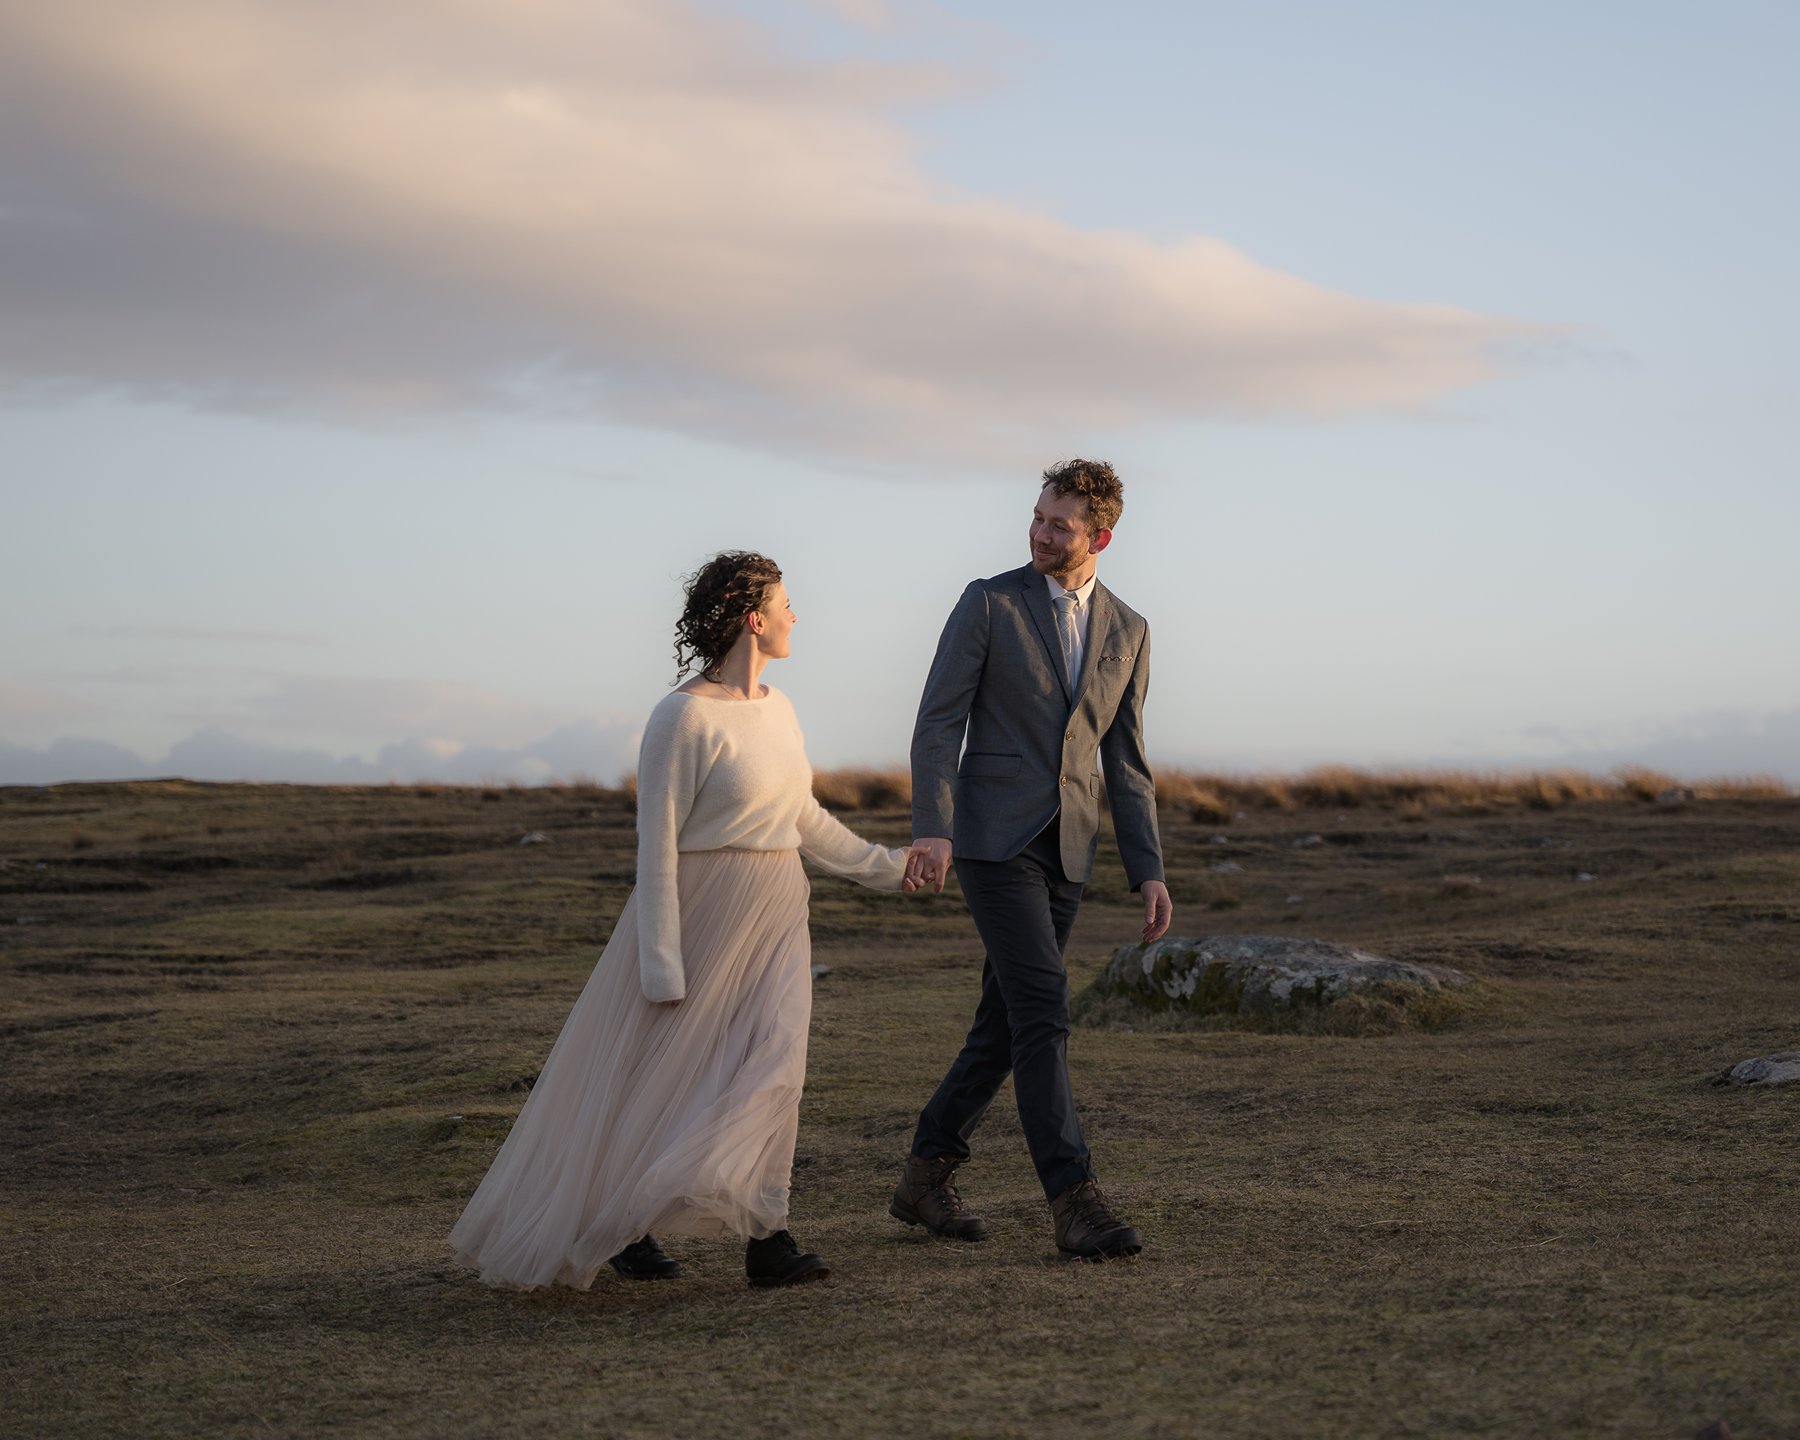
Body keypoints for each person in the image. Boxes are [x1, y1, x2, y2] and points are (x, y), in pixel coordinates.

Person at [450, 551, 914, 1289]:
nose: (798, 616)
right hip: (702, 913)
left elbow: (802, 818)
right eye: (787, 603)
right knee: (660, 1081)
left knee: (776, 1070)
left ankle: (767, 1234)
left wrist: (888, 867)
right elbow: (656, 846)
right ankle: (623, 1228)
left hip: (777, 908)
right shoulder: (682, 716)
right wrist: (660, 962)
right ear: (753, 618)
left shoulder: (781, 709)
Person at [891, 458, 1173, 1261]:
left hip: (1071, 850)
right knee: (1045, 1005)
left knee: (1003, 1025)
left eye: (1060, 525)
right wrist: (933, 826)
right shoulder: (988, 602)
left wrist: (1147, 867)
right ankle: (1074, 1197)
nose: (1041, 533)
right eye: (1038, 517)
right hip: (989, 838)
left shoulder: (1131, 629)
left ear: (1100, 537)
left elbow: (1127, 759)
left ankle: (925, 1174)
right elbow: (938, 721)